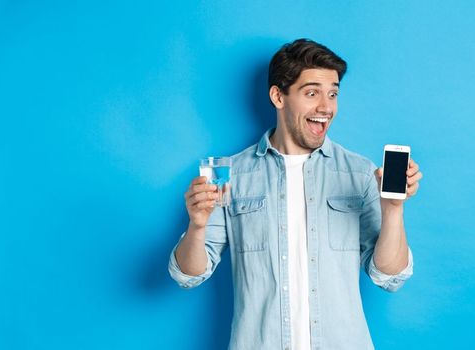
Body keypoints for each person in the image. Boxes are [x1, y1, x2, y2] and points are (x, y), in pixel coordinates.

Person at [169, 38, 423, 350]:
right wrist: (196, 225)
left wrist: (394, 209)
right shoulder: (234, 173)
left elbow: (389, 276)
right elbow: (188, 274)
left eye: (332, 94)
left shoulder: (359, 173)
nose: (326, 107)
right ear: (278, 96)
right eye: (312, 92)